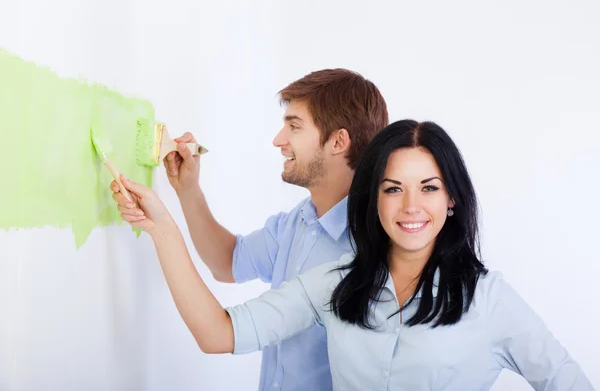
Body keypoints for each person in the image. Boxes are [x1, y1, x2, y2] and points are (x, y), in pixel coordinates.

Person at [112, 119, 594, 391]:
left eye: (428, 188)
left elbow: (566, 382)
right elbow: (219, 333)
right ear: (373, 199)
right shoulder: (336, 283)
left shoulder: (488, 299)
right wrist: (162, 229)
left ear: (451, 199)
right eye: (393, 189)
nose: (410, 207)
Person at [113, 68, 389, 390]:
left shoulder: (372, 249)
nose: (278, 140)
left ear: (338, 141)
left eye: (294, 127)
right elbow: (226, 261)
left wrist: (160, 228)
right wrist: (188, 191)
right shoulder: (299, 221)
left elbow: (219, 334)